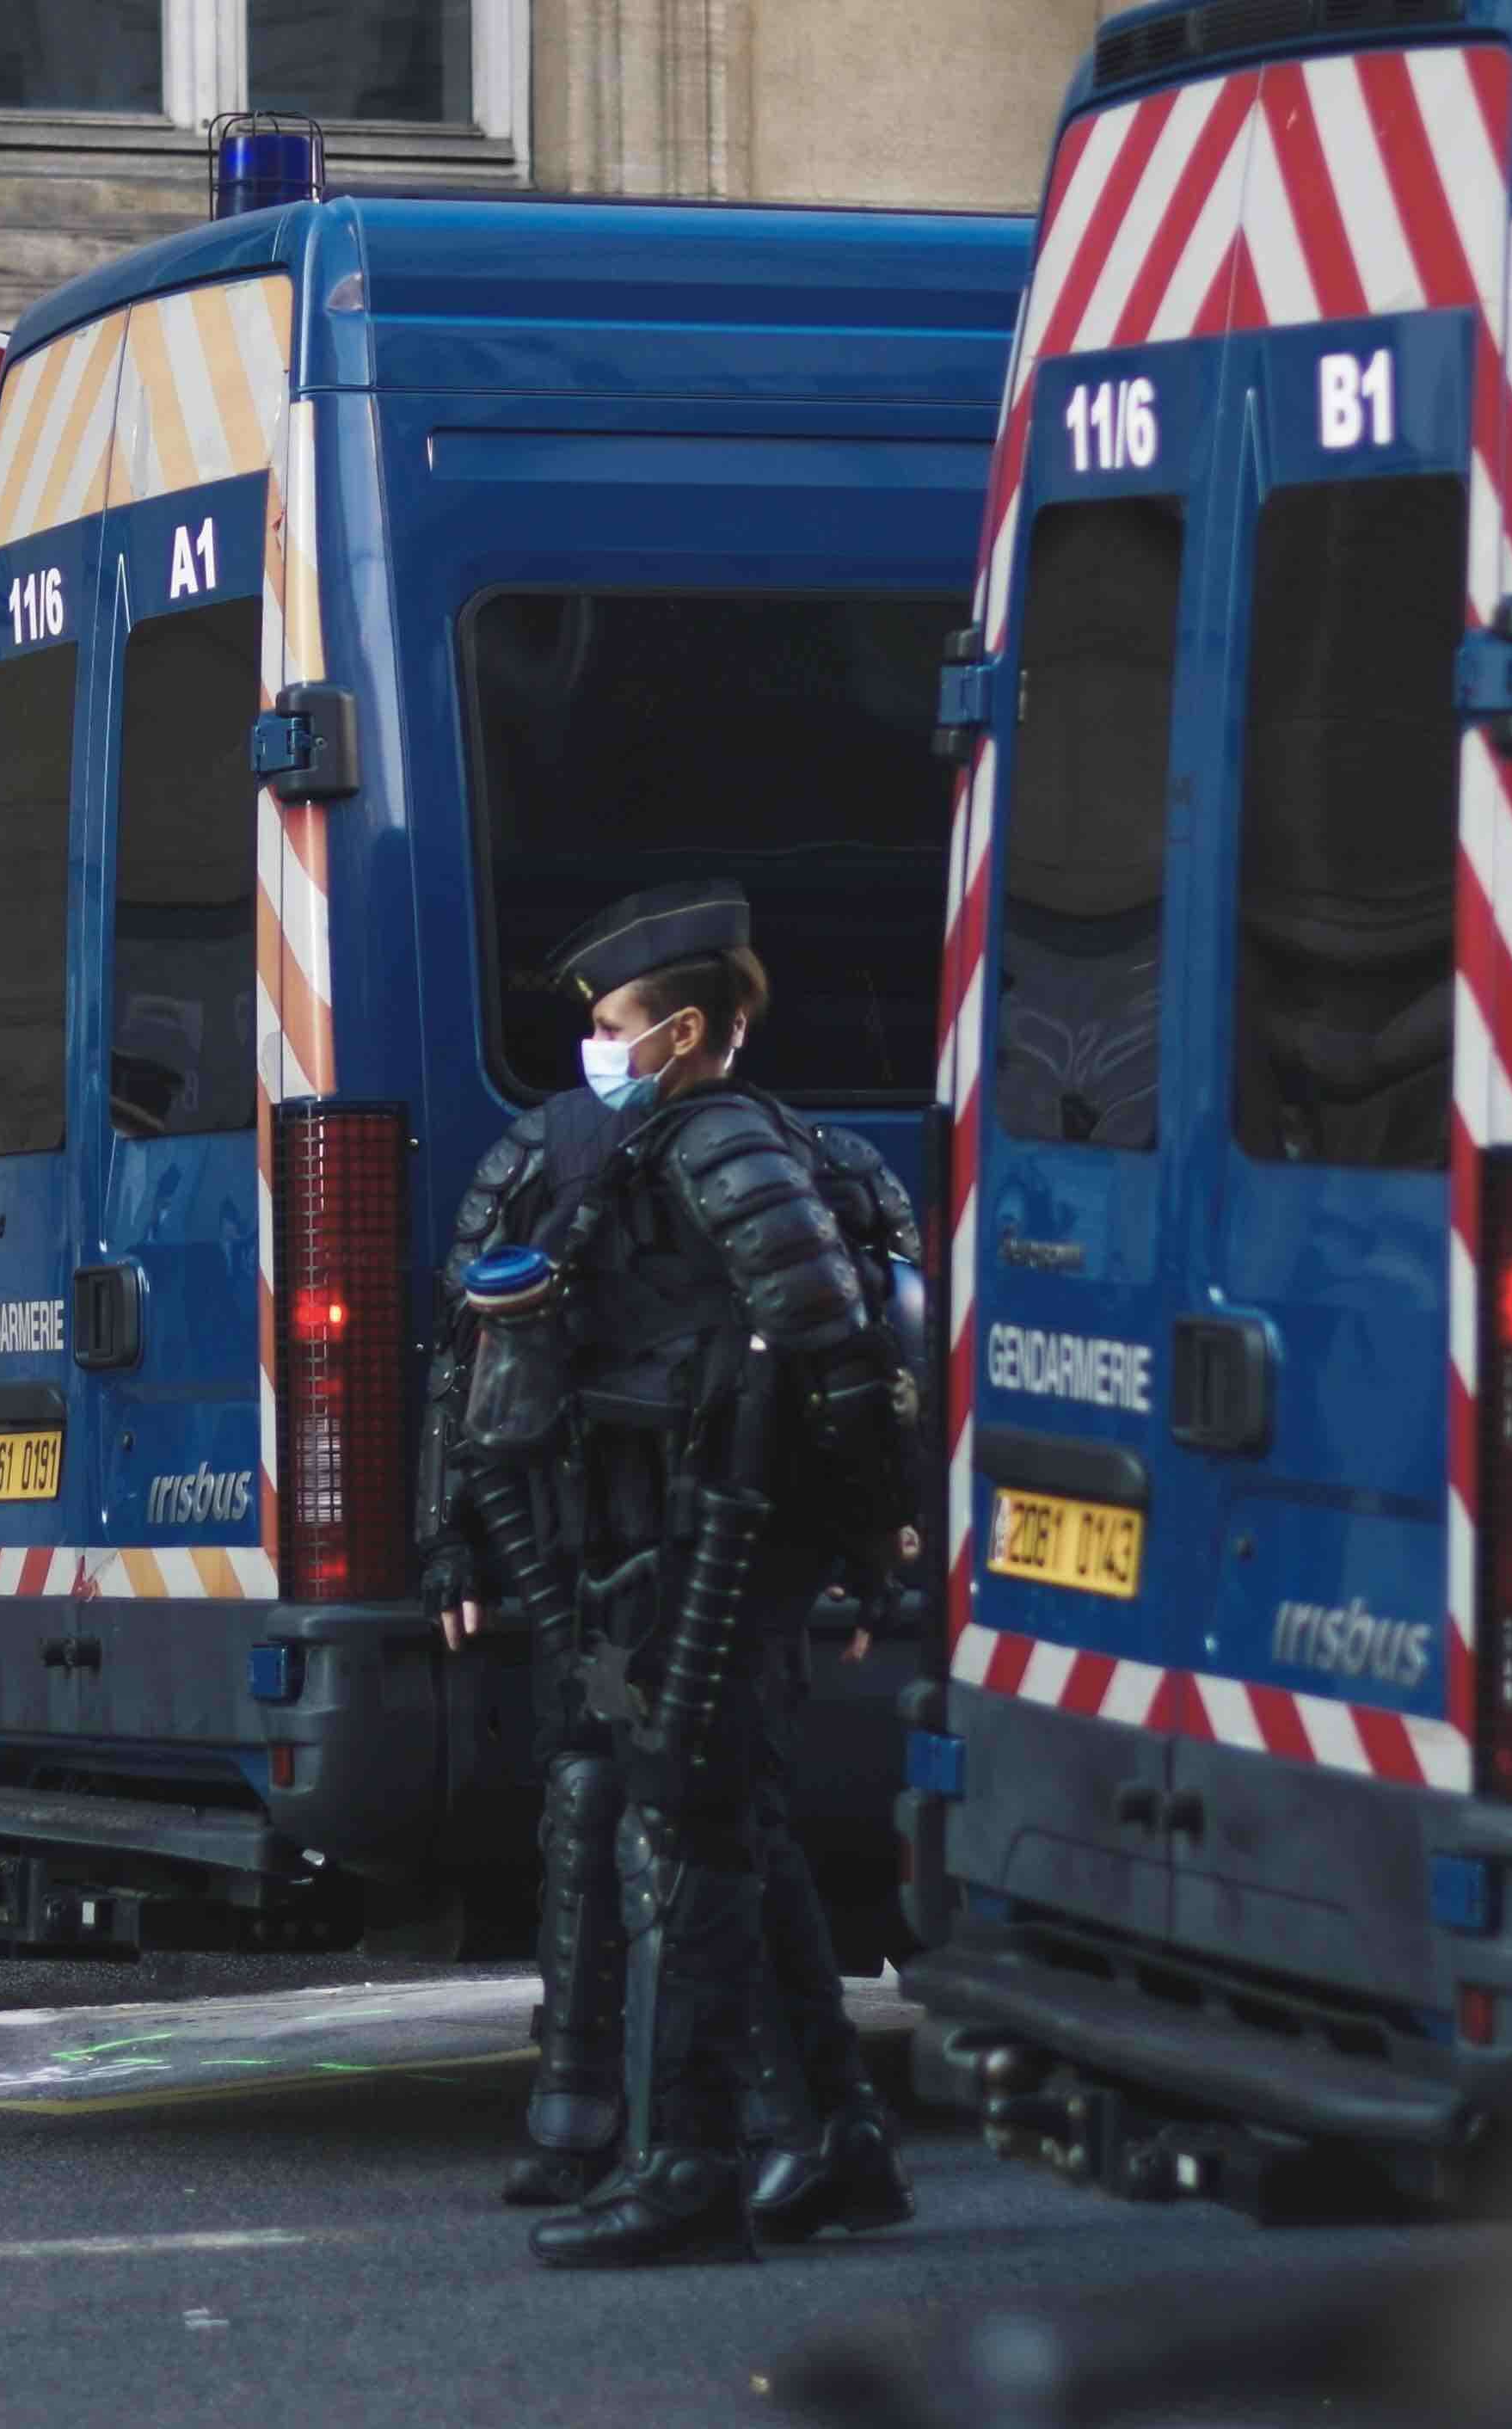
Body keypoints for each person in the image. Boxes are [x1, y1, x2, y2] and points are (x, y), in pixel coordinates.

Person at [417, 882, 919, 2267]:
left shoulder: (724, 1143)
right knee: (721, 1820)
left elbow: (837, 1351)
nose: (597, 1044)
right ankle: (837, 2143)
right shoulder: (657, 1149)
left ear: (684, 1030)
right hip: (653, 1541)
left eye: (616, 1022)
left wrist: (871, 1544)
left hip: (721, 1539)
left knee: (687, 1828)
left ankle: (688, 2169)